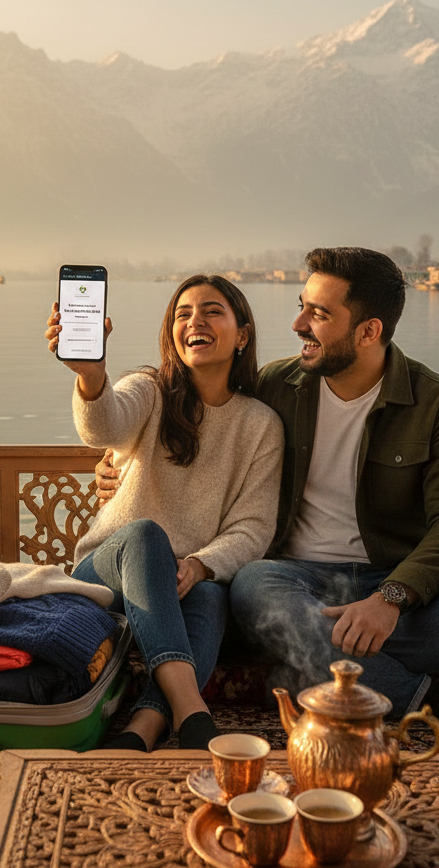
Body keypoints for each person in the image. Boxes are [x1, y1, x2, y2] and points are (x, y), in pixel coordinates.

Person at [97, 248, 439, 729]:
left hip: (394, 577)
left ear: (369, 331)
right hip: (292, 580)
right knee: (252, 588)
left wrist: (391, 599)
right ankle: (420, 698)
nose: (298, 323)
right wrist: (123, 463)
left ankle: (308, 663)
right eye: (303, 305)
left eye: (318, 314)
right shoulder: (275, 386)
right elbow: (204, 431)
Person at [45, 274, 283, 751]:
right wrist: (90, 375)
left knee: (213, 598)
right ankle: (193, 713)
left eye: (212, 311)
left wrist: (200, 564)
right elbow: (105, 425)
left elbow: (252, 527)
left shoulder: (260, 425)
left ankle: (144, 729)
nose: (195, 321)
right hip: (107, 574)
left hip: (181, 584)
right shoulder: (149, 389)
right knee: (146, 536)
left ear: (243, 333)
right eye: (183, 313)